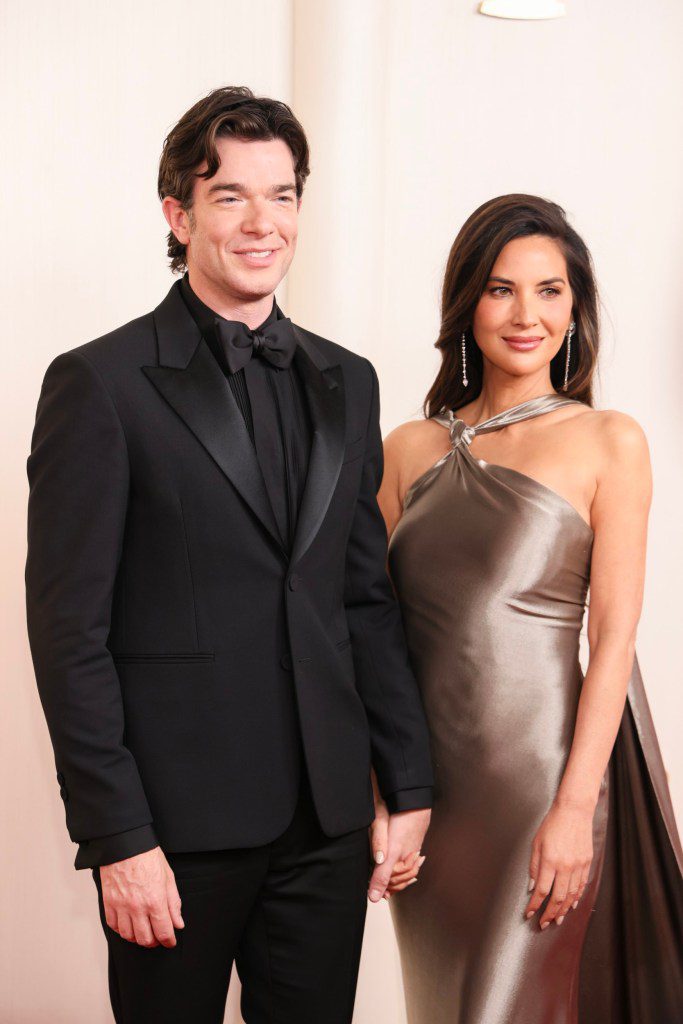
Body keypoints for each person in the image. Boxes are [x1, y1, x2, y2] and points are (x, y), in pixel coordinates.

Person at [25, 85, 433, 1024]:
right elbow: (67, 630)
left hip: (326, 821)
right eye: (231, 196)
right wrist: (118, 835)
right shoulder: (100, 383)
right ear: (179, 213)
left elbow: (363, 599)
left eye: (282, 195)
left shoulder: (349, 379)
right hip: (172, 831)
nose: (263, 223)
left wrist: (406, 781)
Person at [372, 194, 683, 1023]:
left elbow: (613, 635)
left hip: (540, 792)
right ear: (466, 300)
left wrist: (574, 810)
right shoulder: (407, 449)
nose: (525, 314)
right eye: (501, 289)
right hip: (429, 802)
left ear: (574, 308)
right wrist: (383, 788)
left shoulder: (608, 441)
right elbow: (367, 633)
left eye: (549, 291)